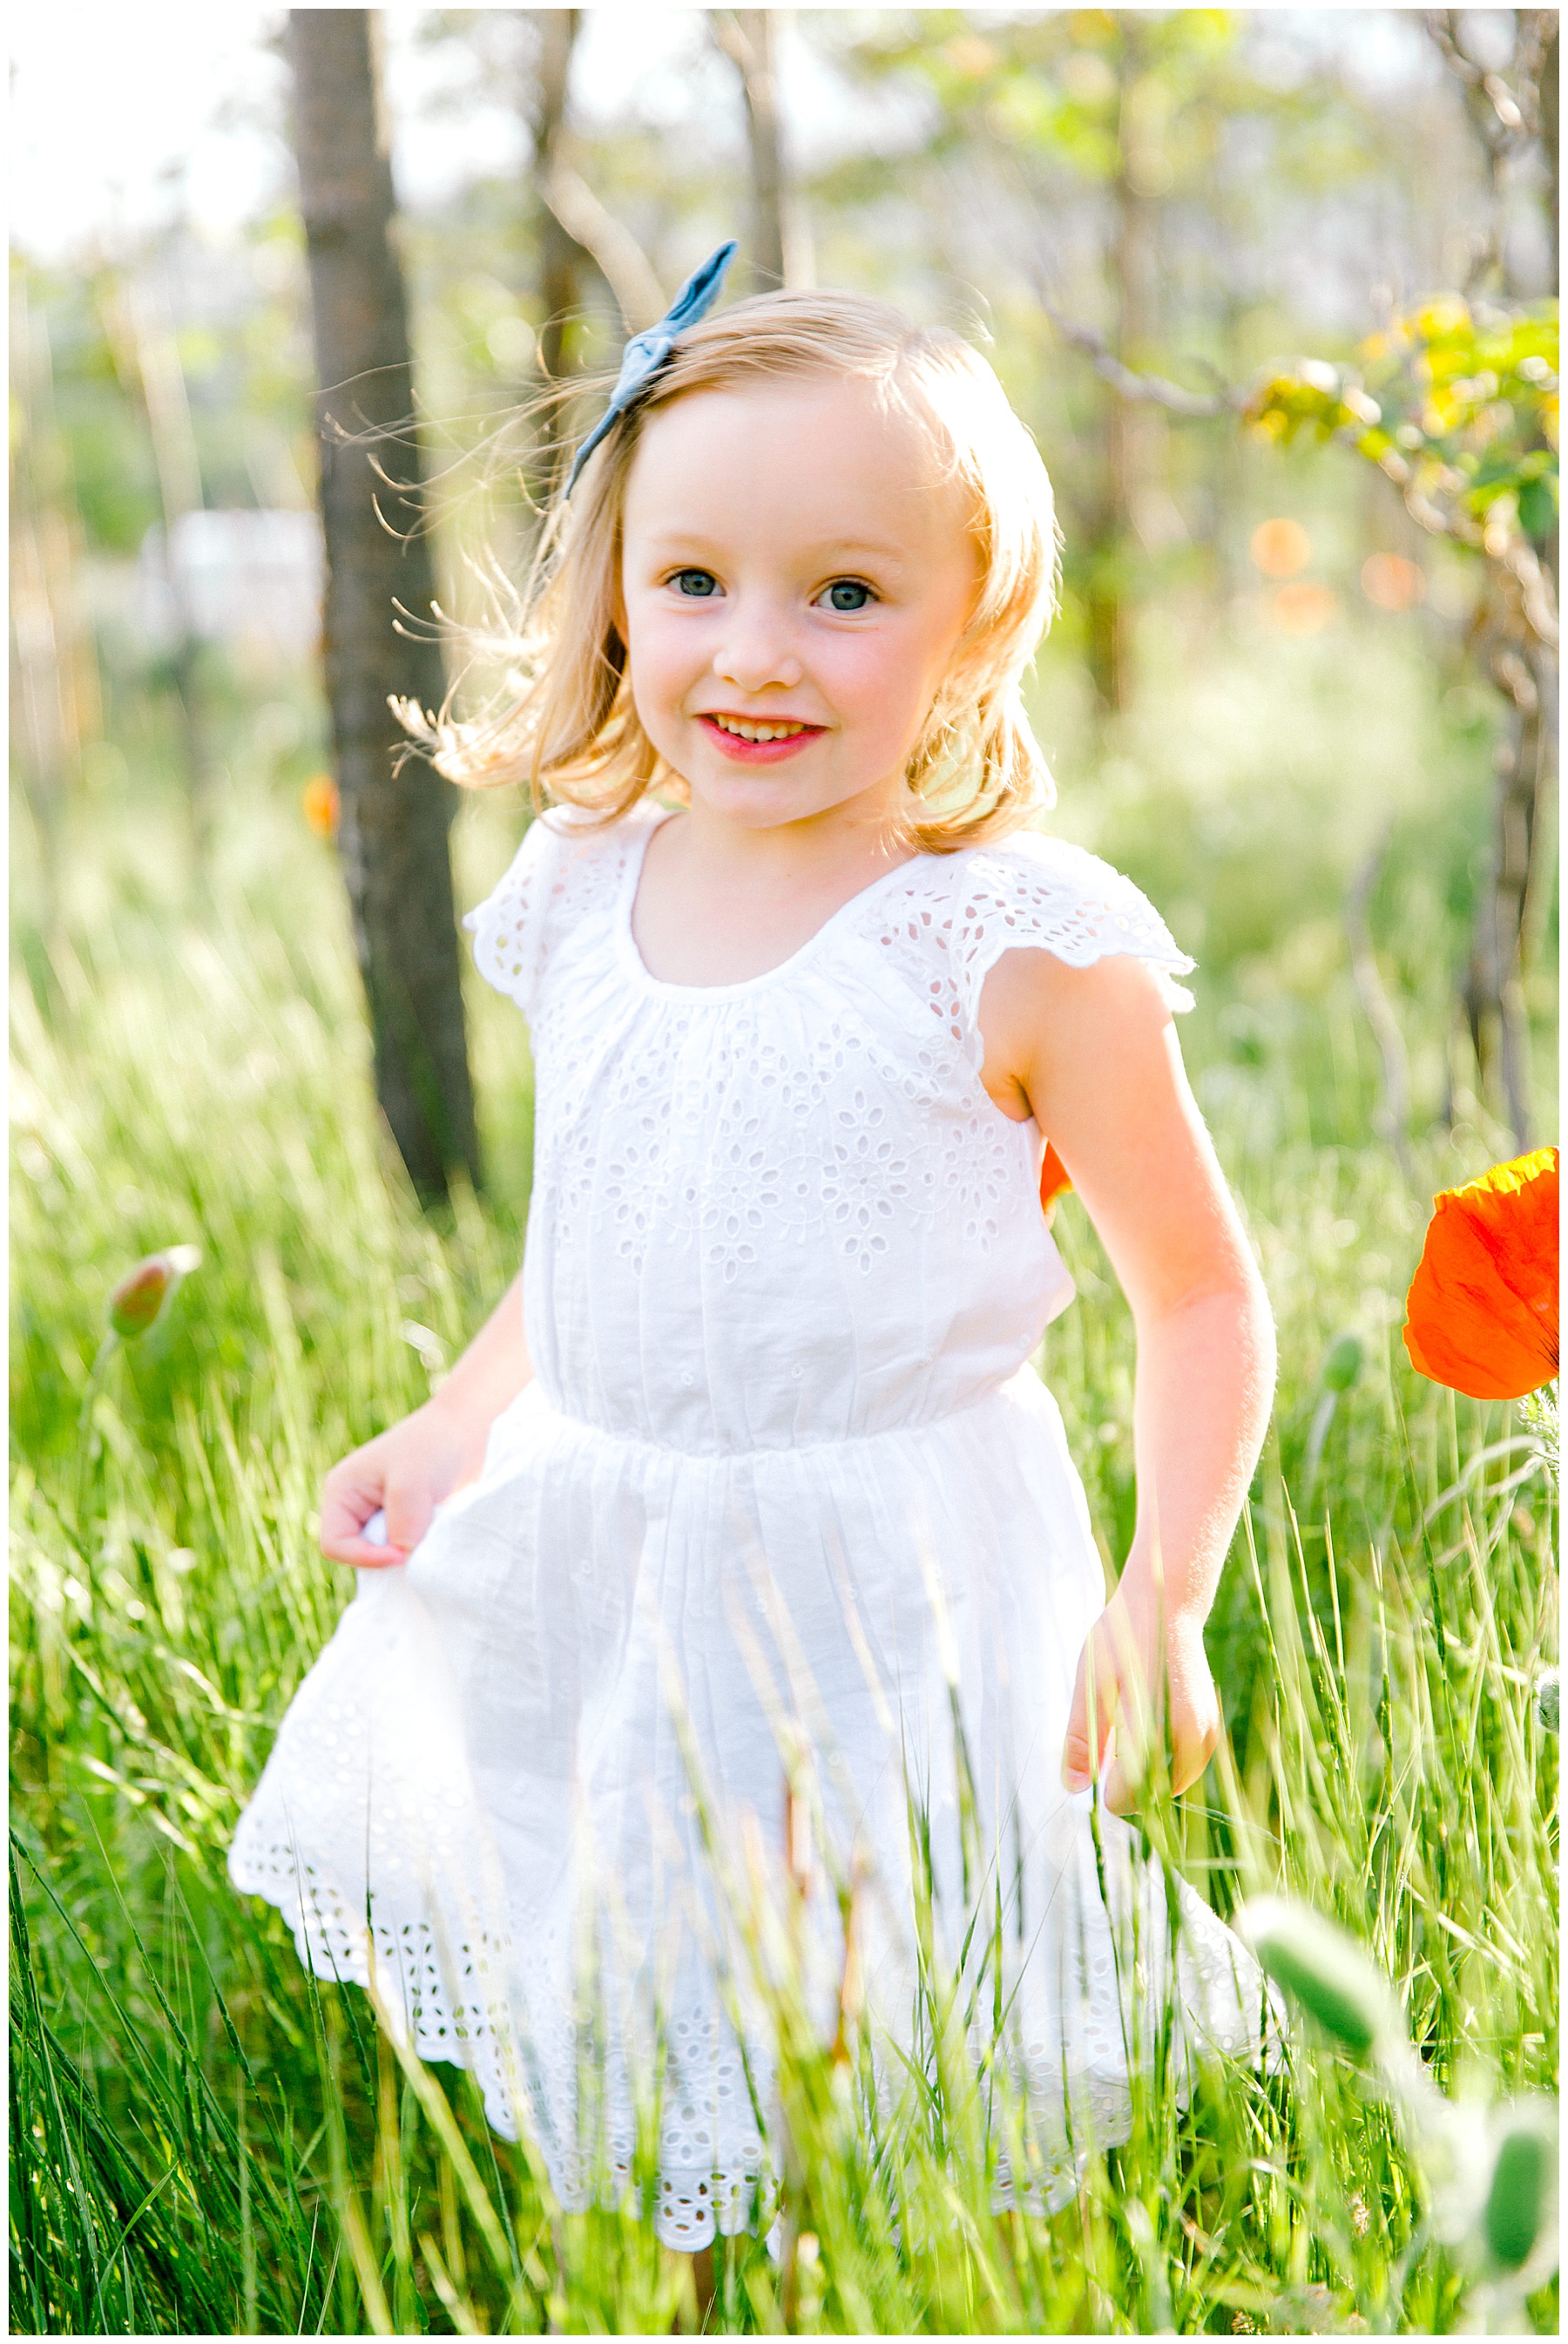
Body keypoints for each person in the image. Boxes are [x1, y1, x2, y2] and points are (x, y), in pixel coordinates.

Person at [230, 253, 1279, 2269]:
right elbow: (614, 1223)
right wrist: (456, 1425)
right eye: (694, 581)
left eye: (848, 594)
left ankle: (873, 2282)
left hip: (887, 1552)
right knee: (641, 1953)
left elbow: (1202, 1292)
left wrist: (1167, 1594)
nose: (755, 655)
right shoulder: (590, 875)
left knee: (876, 2010)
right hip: (610, 1521)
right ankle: (686, 2275)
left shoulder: (1017, 940)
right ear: (615, 583)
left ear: (973, 629)